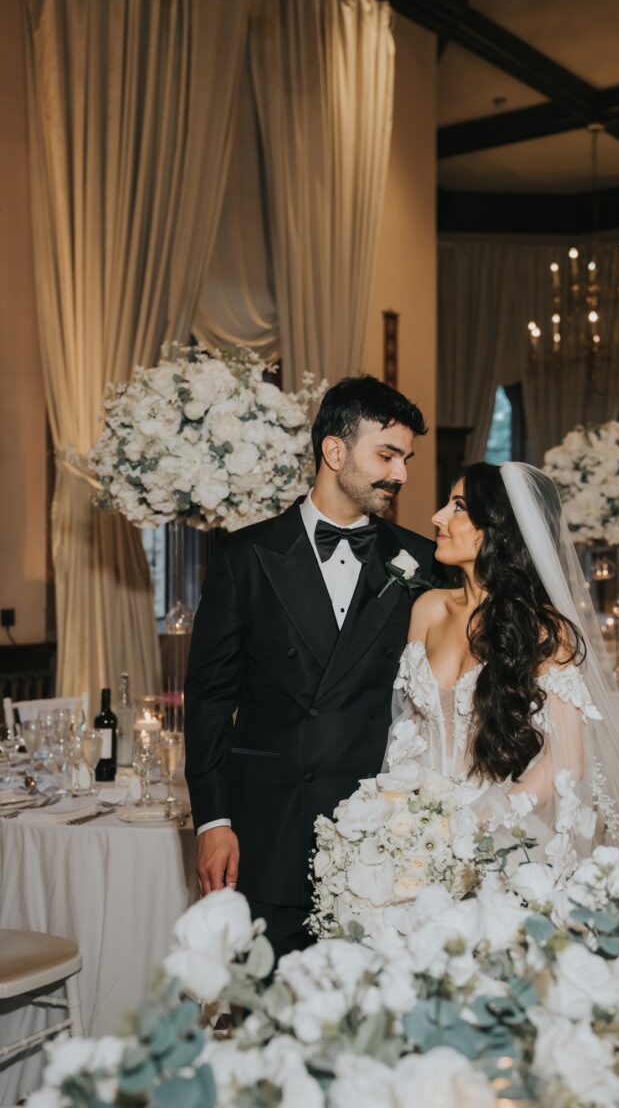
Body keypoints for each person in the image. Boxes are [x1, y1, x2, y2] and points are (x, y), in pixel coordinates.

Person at [184, 376, 439, 958]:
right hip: (268, 830)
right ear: (334, 451)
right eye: (387, 454)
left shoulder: (420, 560)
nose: (400, 475)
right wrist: (212, 821)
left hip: (381, 842)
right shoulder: (246, 557)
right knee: (265, 1023)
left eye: (406, 459)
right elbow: (209, 699)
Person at [387, 461, 619, 870]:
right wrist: (397, 811)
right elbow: (406, 726)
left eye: (459, 506)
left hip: (499, 835)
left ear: (500, 527)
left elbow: (565, 762)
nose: (438, 517)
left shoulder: (543, 631)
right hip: (415, 832)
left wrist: (479, 823)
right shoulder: (428, 608)